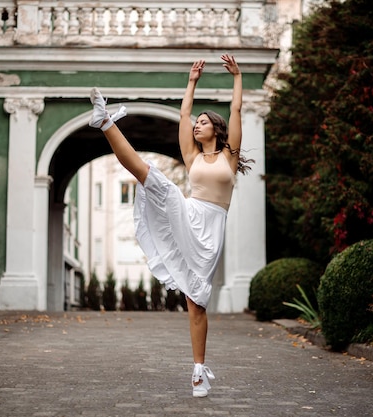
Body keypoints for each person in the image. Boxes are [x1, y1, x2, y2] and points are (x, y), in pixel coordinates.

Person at [88, 54, 251, 398]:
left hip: (211, 230)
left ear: (216, 130)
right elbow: (182, 114)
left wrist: (237, 77)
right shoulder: (191, 156)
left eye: (204, 122)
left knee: (197, 302)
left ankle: (198, 370)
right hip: (188, 212)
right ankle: (105, 122)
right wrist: (191, 82)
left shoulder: (229, 156)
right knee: (152, 177)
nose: (197, 125)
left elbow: (236, 111)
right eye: (198, 122)